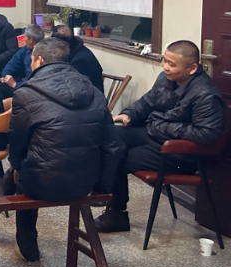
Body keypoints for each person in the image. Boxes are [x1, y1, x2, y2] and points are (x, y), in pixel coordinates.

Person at [7, 38, 122, 262]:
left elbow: (17, 142)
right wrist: (101, 186)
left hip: (41, 183)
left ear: (40, 61)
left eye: (32, 60)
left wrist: (17, 166)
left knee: (21, 174)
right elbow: (113, 146)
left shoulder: (26, 94)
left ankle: (28, 248)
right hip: (85, 183)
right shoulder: (95, 92)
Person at [95, 40, 225, 233]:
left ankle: (117, 215)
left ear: (192, 68)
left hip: (178, 154)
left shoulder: (205, 94)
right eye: (165, 60)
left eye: (172, 64)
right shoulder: (165, 78)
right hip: (153, 133)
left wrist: (167, 127)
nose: (165, 67)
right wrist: (129, 114)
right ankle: (99, 190)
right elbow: (147, 101)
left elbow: (207, 134)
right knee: (109, 137)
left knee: (117, 158)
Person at [51, 26, 104, 93]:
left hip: (89, 96)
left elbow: (75, 89)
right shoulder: (73, 49)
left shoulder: (81, 60)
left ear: (61, 45)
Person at [0, 24, 44, 90]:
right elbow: (13, 62)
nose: (24, 39)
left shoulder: (43, 54)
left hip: (34, 87)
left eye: (25, 37)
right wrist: (5, 76)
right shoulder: (26, 49)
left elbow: (34, 80)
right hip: (24, 83)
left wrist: (15, 84)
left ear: (31, 40)